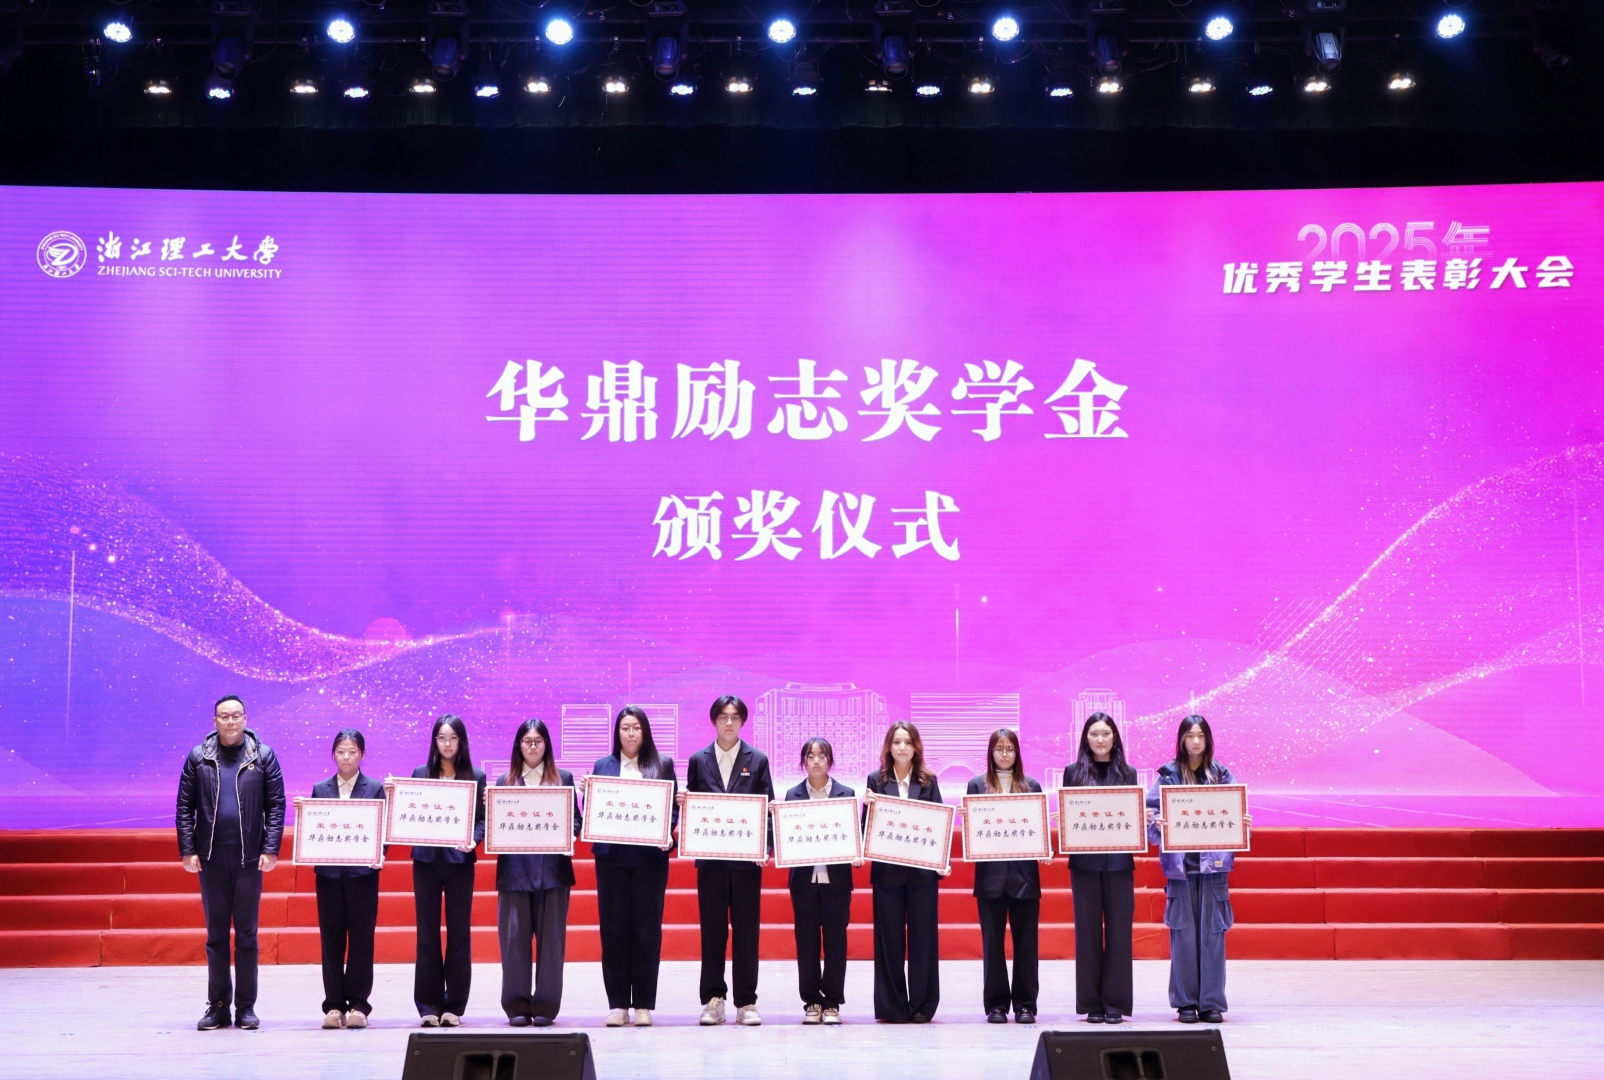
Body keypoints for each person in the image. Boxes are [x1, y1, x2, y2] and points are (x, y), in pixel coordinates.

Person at [175, 693, 286, 1031]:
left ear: (245, 719)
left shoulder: (263, 756)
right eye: (224, 716)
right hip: (211, 858)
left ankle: (246, 1008)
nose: (230, 721)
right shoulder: (198, 757)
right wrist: (188, 849)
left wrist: (270, 849)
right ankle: (218, 1006)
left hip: (248, 858)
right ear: (215, 722)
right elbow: (184, 807)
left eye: (236, 715)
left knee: (247, 935)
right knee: (216, 936)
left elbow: (276, 805)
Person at [1147, 714, 1252, 1025]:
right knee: (1182, 938)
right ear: (1181, 740)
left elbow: (1234, 816)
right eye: (1190, 736)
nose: (1195, 741)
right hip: (1180, 870)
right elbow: (1150, 823)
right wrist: (1156, 824)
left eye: (1200, 736)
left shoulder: (1221, 775)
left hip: (1213, 870)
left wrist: (1241, 823)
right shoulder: (1167, 777)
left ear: (1208, 740)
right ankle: (1185, 1003)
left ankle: (1211, 1003)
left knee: (1213, 937)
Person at [388, 714, 486, 1027]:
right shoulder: (421, 774)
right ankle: (428, 1006)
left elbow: (482, 819)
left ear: (461, 741)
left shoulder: (476, 776)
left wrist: (474, 839)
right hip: (427, 863)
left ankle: (454, 1005)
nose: (447, 743)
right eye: (442, 738)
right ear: (435, 741)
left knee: (459, 935)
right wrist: (394, 796)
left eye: (452, 738)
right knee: (427, 935)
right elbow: (407, 814)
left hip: (460, 863)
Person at [685, 694, 776, 1026]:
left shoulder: (758, 759)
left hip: (746, 863)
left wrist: (765, 847)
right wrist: (684, 803)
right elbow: (693, 803)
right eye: (723, 716)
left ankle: (746, 1001)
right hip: (711, 862)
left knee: (746, 931)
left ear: (742, 722)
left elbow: (767, 806)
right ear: (714, 720)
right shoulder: (698, 760)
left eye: (735, 717)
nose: (728, 722)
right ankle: (713, 999)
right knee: (712, 931)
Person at [591, 705, 678, 1027]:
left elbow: (672, 809)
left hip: (649, 861)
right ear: (617, 732)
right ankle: (617, 1004)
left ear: (645, 732)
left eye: (636, 728)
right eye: (625, 728)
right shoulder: (603, 765)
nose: (630, 733)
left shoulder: (662, 764)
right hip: (612, 859)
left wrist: (667, 832)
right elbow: (595, 810)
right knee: (613, 930)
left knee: (646, 931)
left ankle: (643, 1003)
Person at [493, 718, 580, 1027]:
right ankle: (516, 1005)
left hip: (552, 872)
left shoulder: (563, 778)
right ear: (519, 745)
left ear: (546, 746)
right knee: (513, 942)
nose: (532, 747)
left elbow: (576, 821)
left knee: (552, 943)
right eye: (527, 741)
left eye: (538, 741)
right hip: (514, 873)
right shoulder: (504, 782)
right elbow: (496, 826)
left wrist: (569, 835)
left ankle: (546, 1005)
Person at [299, 729, 384, 1030]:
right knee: (331, 940)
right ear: (333, 755)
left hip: (363, 876)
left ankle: (359, 1005)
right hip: (329, 876)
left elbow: (382, 832)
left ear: (362, 754)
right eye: (340, 752)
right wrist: (304, 815)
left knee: (362, 940)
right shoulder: (320, 789)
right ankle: (334, 1005)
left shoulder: (375, 788)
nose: (346, 757)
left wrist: (378, 854)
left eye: (352, 751)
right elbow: (314, 831)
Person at [863, 720, 946, 1023]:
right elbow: (866, 828)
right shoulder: (876, 780)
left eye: (907, 742)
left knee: (924, 939)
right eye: (896, 742)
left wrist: (941, 862)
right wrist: (868, 807)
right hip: (887, 874)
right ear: (889, 746)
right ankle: (892, 1006)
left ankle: (923, 1005)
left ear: (915, 747)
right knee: (889, 941)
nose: (902, 747)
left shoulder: (928, 780)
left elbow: (939, 824)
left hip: (922, 874)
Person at [965, 728, 1047, 1024]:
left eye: (1009, 748)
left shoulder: (1031, 785)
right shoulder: (977, 786)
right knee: (992, 944)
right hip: (990, 877)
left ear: (1017, 753)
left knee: (1027, 943)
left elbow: (1037, 830)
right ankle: (996, 1005)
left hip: (1025, 876)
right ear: (991, 753)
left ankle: (1026, 1004)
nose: (1004, 754)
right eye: (999, 748)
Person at [1062, 712, 1138, 1025]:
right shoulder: (1073, 772)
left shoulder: (1128, 773)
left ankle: (1115, 1002)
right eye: (1094, 734)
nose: (1100, 739)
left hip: (1119, 863)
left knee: (1119, 933)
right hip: (1085, 865)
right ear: (1085, 739)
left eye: (1106, 733)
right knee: (1087, 933)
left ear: (1115, 737)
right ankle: (1092, 1003)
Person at [782, 736, 857, 1025]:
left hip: (836, 880)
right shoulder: (792, 796)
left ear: (830, 761)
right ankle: (811, 1000)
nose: (816, 761)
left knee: (837, 941)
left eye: (822, 756)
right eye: (811, 756)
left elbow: (853, 834)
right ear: (804, 761)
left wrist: (856, 851)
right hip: (804, 881)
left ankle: (833, 1001)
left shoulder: (845, 794)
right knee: (807, 942)